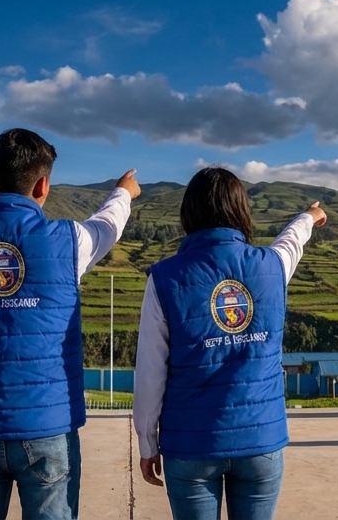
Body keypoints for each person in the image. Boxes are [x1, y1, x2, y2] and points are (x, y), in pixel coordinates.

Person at [0, 128, 141, 520]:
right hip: (49, 428)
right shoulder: (69, 241)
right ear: (42, 184)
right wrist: (124, 192)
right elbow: (108, 224)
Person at [133, 167, 326, 520]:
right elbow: (291, 241)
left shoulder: (165, 278)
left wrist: (147, 443)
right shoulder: (272, 267)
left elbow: (150, 371)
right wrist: (310, 216)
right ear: (241, 211)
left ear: (188, 214)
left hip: (191, 445)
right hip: (260, 440)